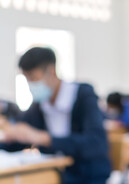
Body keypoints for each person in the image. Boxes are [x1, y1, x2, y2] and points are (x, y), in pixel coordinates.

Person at [1, 47, 111, 184]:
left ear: (51, 71)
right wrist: (10, 135)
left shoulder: (83, 95)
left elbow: (97, 144)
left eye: (34, 78)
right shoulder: (39, 105)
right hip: (57, 175)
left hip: (89, 176)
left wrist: (44, 138)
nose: (30, 84)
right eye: (27, 79)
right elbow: (20, 139)